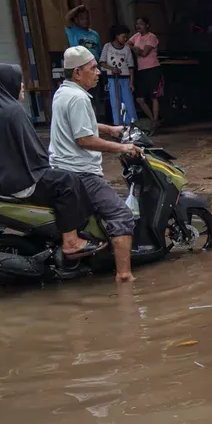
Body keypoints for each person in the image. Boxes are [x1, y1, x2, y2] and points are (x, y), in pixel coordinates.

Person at [0, 63, 104, 259]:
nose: (23, 86)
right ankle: (71, 241)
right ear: (5, 85)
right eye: (18, 81)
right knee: (67, 181)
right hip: (13, 184)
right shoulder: (12, 112)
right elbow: (36, 155)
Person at [50, 46, 145, 284]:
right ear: (78, 73)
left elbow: (82, 125)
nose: (98, 73)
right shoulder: (79, 98)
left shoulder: (62, 92)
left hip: (61, 169)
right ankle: (125, 277)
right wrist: (124, 147)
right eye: (93, 68)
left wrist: (111, 129)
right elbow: (84, 140)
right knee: (121, 215)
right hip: (81, 173)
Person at [100, 25, 137, 126]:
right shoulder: (107, 46)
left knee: (128, 102)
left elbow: (131, 67)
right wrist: (112, 69)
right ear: (116, 36)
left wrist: (131, 82)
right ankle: (118, 124)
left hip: (125, 79)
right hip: (112, 79)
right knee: (116, 102)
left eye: (126, 37)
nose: (125, 39)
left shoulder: (127, 49)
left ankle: (130, 124)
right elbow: (102, 62)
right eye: (123, 36)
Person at [131, 16, 163, 130]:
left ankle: (155, 120)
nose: (138, 26)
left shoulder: (152, 37)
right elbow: (127, 44)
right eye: (137, 24)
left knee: (154, 96)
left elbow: (144, 53)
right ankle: (153, 119)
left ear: (147, 25)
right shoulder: (137, 36)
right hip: (141, 70)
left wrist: (136, 49)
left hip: (152, 69)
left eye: (141, 24)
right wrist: (137, 49)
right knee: (139, 98)